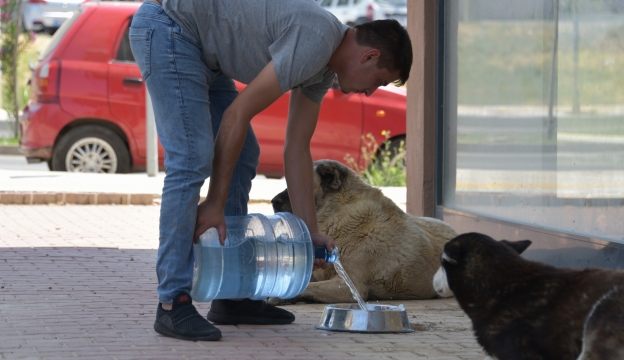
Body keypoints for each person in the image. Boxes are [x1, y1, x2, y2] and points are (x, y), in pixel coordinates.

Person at [129, 0, 412, 342]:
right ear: (369, 57)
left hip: (202, 48)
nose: (369, 92)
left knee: (244, 152)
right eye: (378, 82)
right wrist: (215, 203)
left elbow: (297, 148)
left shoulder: (323, 66)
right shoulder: (316, 38)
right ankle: (173, 301)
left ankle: (232, 295)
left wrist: (309, 234)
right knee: (191, 156)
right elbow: (236, 116)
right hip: (169, 27)